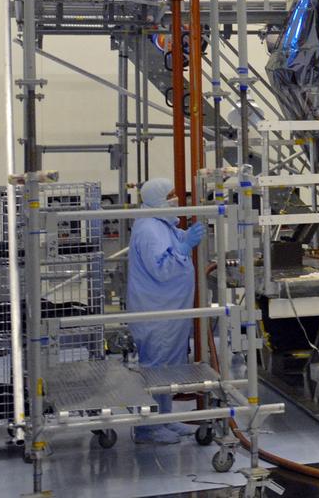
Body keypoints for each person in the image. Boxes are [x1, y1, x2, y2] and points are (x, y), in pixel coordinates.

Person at [127, 177, 205, 444]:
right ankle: (147, 428)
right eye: (170, 195)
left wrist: (185, 237)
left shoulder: (160, 223)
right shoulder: (149, 228)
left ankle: (165, 418)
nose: (175, 198)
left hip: (169, 308)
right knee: (155, 368)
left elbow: (172, 241)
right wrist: (185, 246)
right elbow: (162, 267)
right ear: (158, 198)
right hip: (155, 310)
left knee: (167, 368)